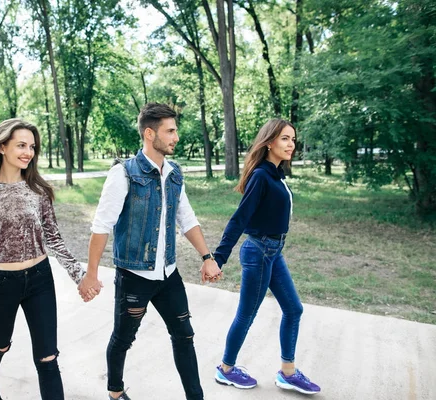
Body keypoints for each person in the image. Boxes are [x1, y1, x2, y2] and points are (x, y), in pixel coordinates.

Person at [79, 103, 222, 400]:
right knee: (123, 338)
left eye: (176, 130)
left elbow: (187, 218)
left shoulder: (174, 173)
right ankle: (115, 392)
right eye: (170, 131)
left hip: (168, 274)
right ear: (149, 133)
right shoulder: (124, 174)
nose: (176, 137)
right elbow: (102, 225)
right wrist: (91, 274)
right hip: (134, 275)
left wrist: (207, 257)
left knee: (185, 335)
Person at [0, 118, 99, 400]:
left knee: (48, 357)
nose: (28, 152)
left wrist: (80, 275)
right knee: (0, 345)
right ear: (2, 147)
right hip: (0, 282)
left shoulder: (38, 190)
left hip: (40, 279)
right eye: (21, 145)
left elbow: (54, 237)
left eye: (32, 147)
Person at [212, 119, 321, 395]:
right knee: (247, 314)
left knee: (294, 309)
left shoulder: (275, 174)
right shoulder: (262, 175)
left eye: (293, 139)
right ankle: (225, 369)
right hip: (259, 251)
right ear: (270, 141)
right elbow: (239, 219)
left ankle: (288, 373)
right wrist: (218, 258)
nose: (291, 144)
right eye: (285, 139)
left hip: (274, 251)